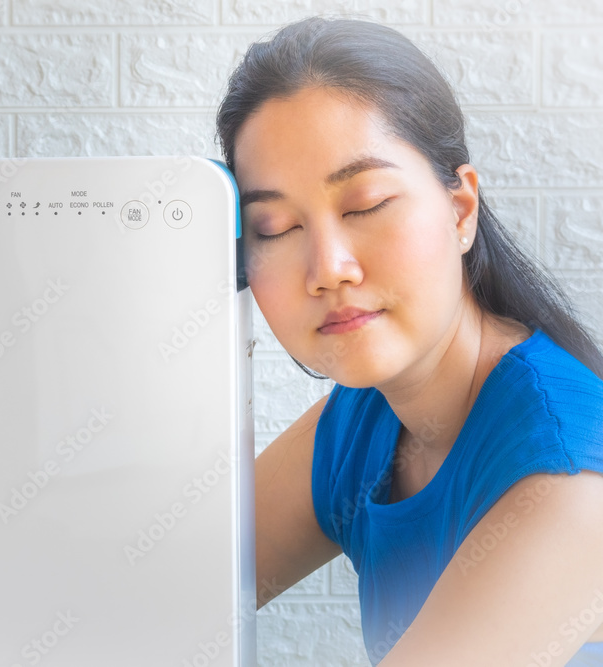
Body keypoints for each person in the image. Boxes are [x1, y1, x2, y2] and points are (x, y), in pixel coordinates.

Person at [216, 16, 603, 667]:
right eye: (276, 227)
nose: (328, 267)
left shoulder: (568, 480)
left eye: (364, 204)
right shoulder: (360, 420)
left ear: (460, 210)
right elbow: (162, 592)